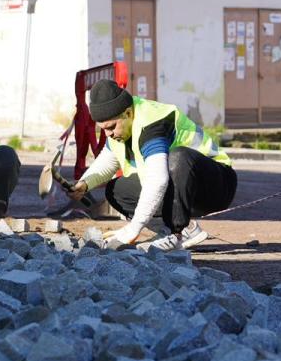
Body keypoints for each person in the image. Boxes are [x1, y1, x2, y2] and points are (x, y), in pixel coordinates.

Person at [68, 80, 236, 250]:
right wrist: (84, 183)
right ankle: (180, 230)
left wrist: (133, 228)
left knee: (178, 158)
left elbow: (158, 180)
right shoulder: (120, 127)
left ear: (127, 113)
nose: (109, 134)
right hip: (183, 187)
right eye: (103, 129)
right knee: (117, 190)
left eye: (111, 127)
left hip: (216, 183)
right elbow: (108, 160)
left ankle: (177, 232)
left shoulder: (151, 123)